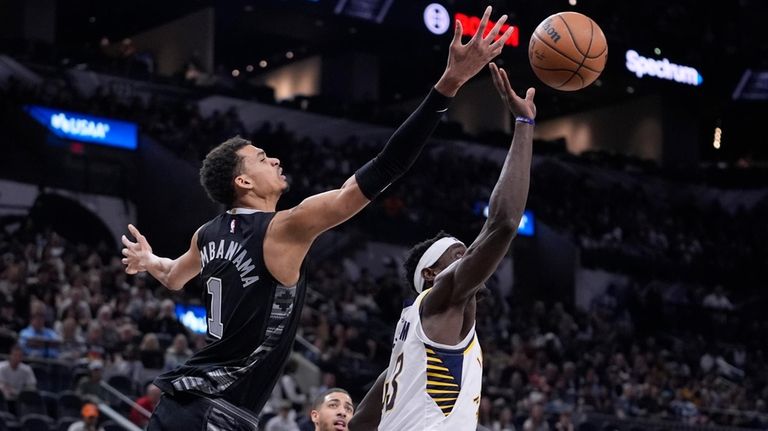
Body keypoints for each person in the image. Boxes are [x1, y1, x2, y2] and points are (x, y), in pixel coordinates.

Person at [121, 6, 502, 429]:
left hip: (177, 404)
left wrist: (147, 261)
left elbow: (173, 275)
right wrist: (448, 85)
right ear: (243, 182)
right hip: (220, 411)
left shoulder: (206, 235)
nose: (276, 159)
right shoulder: (284, 228)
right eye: (263, 158)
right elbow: (383, 169)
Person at [349, 58, 536, 429]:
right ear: (433, 273)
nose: (471, 258)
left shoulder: (408, 346)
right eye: (459, 254)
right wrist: (524, 124)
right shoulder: (443, 298)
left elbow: (358, 425)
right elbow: (503, 222)